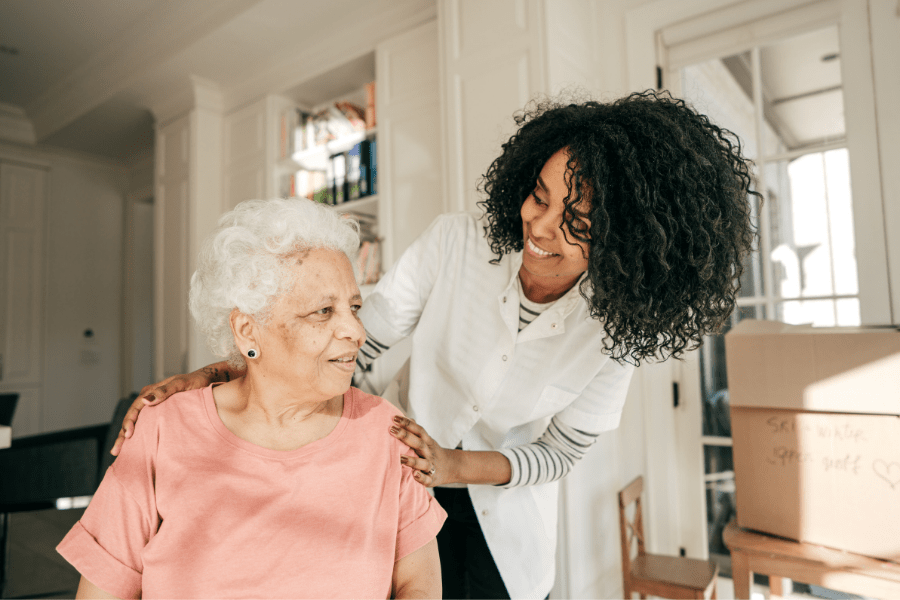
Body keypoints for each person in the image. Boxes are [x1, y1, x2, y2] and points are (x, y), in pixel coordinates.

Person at [112, 90, 757, 599]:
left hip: (505, 524)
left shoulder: (615, 333)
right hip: (397, 482)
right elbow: (351, 348)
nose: (539, 225)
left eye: (577, 223)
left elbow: (560, 452)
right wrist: (227, 376)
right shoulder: (458, 244)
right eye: (538, 194)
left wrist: (454, 466)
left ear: (626, 242)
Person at [59, 199, 446, 599]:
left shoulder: (386, 430)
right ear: (247, 331)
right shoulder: (163, 428)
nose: (357, 332)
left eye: (355, 308)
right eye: (323, 311)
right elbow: (103, 591)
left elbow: (418, 584)